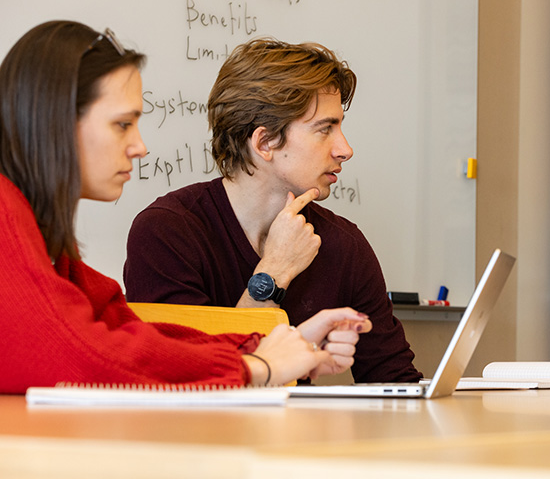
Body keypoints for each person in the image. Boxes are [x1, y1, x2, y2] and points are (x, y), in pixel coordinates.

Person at [0, 21, 370, 395]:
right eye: (122, 124)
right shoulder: (4, 217)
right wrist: (256, 366)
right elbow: (82, 358)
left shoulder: (49, 248)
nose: (139, 146)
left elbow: (139, 338)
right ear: (56, 123)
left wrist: (274, 346)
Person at [124, 38, 421, 383]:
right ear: (265, 143)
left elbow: (396, 382)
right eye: (325, 129)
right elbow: (191, 384)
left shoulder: (343, 244)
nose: (345, 149)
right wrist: (273, 274)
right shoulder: (166, 233)